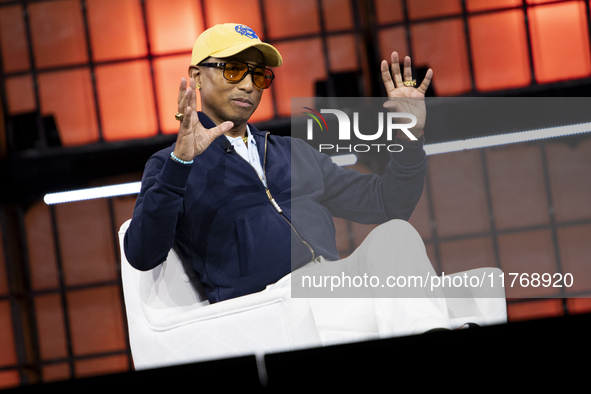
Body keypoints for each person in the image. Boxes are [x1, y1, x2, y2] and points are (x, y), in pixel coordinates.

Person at [124, 23, 450, 339]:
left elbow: (386, 204)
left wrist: (410, 134)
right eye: (234, 70)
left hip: (328, 283)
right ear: (196, 75)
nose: (248, 85)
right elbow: (143, 254)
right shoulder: (172, 164)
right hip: (270, 303)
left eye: (258, 75)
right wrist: (181, 163)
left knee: (396, 234)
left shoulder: (292, 151)